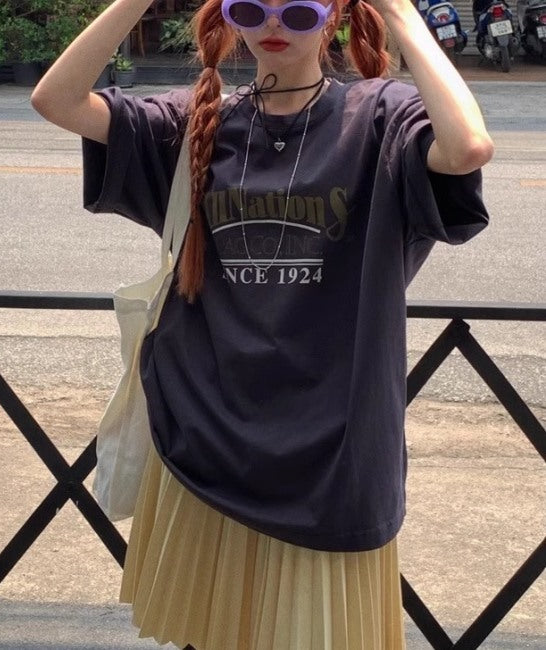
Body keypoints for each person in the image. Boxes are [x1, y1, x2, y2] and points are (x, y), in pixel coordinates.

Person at [31, 0, 493, 648]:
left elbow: (468, 147)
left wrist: (402, 15)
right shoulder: (197, 122)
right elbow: (55, 99)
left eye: (298, 12)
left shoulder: (379, 118)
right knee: (210, 637)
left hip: (331, 461)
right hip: (206, 446)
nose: (273, 27)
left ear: (333, 17)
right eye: (250, 8)